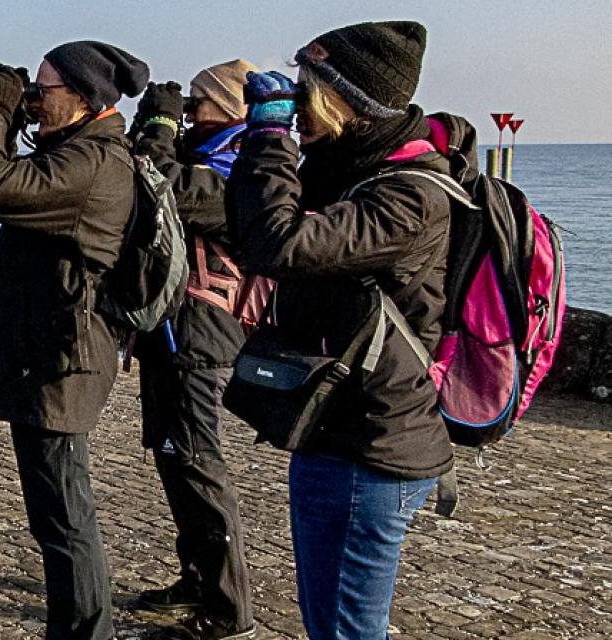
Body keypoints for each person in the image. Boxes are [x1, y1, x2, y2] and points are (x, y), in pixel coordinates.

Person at [226, 21, 453, 639]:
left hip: (372, 446)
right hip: (332, 429)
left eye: (306, 91)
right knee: (328, 621)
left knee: (346, 631)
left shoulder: (408, 195)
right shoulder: (349, 170)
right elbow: (252, 230)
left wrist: (271, 137)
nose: (296, 106)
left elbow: (279, 242)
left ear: (344, 97)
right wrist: (265, 145)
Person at [0, 41, 148, 640]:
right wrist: (17, 118)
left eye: (45, 91)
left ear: (85, 98)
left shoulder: (91, 162)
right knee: (54, 513)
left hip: (64, 364)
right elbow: (13, 182)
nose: (34, 100)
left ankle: (88, 632)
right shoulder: (78, 150)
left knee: (66, 515)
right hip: (51, 355)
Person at [126, 61, 258, 640]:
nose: (188, 116)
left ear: (230, 108)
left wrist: (156, 125)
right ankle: (197, 579)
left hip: (202, 339)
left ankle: (230, 609)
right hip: (171, 333)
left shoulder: (243, 167)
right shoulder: (207, 154)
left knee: (201, 466)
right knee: (173, 457)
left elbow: (169, 189)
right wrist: (155, 127)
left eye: (196, 104)